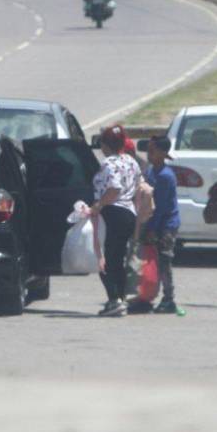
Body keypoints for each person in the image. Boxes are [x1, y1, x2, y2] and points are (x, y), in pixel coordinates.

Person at [90, 123, 142, 317]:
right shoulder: (131, 161)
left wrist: (98, 205)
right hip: (129, 213)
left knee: (103, 259)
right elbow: (137, 186)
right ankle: (120, 299)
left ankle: (114, 299)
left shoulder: (108, 164)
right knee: (117, 259)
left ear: (105, 145)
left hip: (113, 213)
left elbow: (114, 189)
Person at [137, 135, 182, 314]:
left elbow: (161, 207)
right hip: (152, 223)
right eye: (148, 150)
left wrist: (152, 229)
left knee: (164, 261)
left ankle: (169, 298)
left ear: (163, 153)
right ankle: (145, 295)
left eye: (153, 151)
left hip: (165, 225)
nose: (149, 154)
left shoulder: (165, 176)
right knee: (149, 262)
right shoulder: (150, 171)